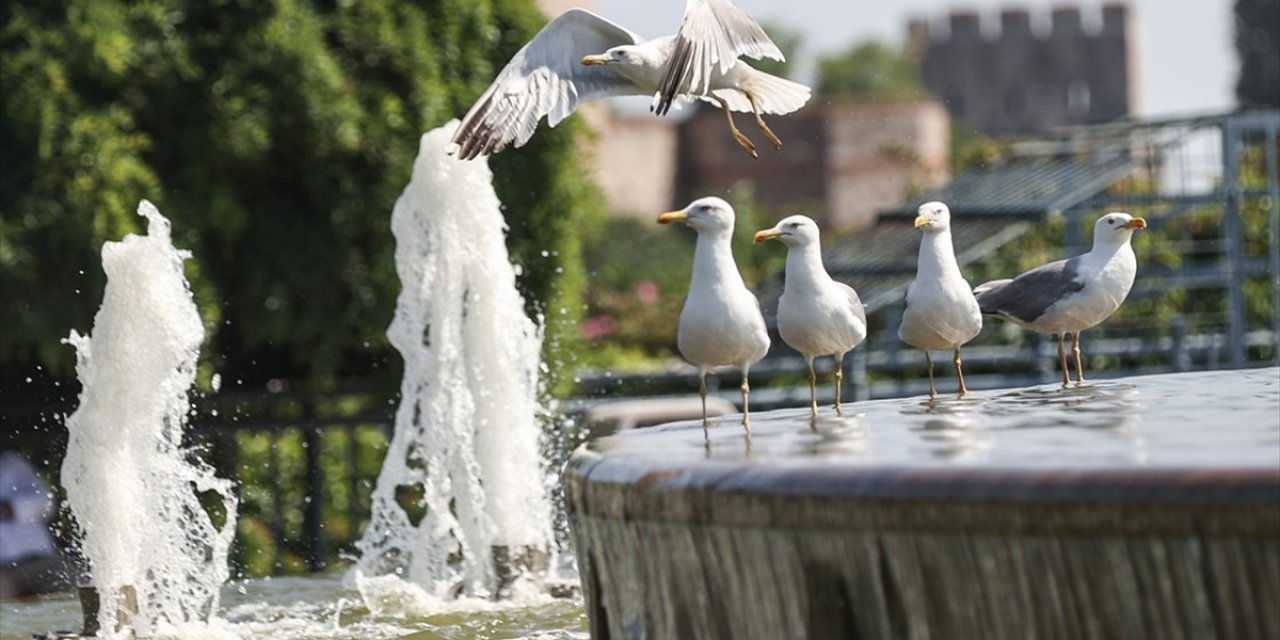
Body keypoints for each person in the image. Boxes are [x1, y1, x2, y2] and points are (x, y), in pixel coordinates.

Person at [0, 450, 72, 599]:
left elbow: (46, 502)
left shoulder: (11, 464)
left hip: (41, 562)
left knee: (75, 593)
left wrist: (10, 509)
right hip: (3, 573)